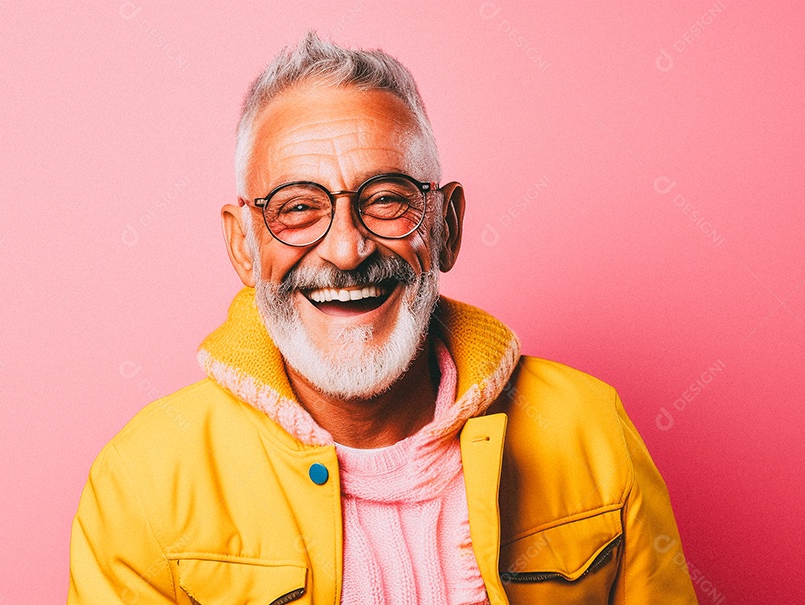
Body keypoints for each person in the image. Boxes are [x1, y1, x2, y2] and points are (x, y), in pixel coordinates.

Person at [67, 32, 698, 605]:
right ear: (243, 245)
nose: (347, 250)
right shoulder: (141, 483)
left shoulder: (591, 430)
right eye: (297, 208)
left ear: (446, 227)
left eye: (387, 200)